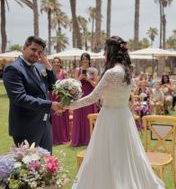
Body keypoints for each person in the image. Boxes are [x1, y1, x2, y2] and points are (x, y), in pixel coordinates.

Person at [64, 36, 164, 189]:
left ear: (110, 52)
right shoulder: (128, 72)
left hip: (109, 118)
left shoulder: (111, 73)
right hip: (124, 117)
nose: (104, 54)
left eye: (105, 50)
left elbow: (92, 98)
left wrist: (68, 105)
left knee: (106, 157)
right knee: (125, 156)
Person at [3, 36, 62, 153]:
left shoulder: (40, 67)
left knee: (47, 164)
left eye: (40, 52)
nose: (36, 54)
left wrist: (49, 67)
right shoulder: (13, 69)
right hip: (26, 127)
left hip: (45, 124)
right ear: (24, 47)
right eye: (33, 49)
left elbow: (53, 86)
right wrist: (50, 105)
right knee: (30, 167)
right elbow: (20, 98)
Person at [72, 53, 99, 147]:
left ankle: (90, 139)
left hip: (90, 95)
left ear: (89, 60)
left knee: (89, 116)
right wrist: (80, 78)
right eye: (83, 59)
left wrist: (89, 80)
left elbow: (96, 85)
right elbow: (74, 84)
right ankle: (79, 139)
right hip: (80, 95)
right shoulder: (77, 70)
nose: (85, 61)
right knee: (79, 116)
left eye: (86, 59)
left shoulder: (93, 70)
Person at [49, 57, 70, 145]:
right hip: (52, 97)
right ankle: (54, 138)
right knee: (54, 118)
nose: (56, 63)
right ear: (52, 63)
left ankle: (63, 137)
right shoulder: (49, 73)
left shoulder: (64, 73)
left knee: (62, 117)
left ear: (60, 63)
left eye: (58, 62)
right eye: (54, 62)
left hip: (62, 97)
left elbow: (69, 85)